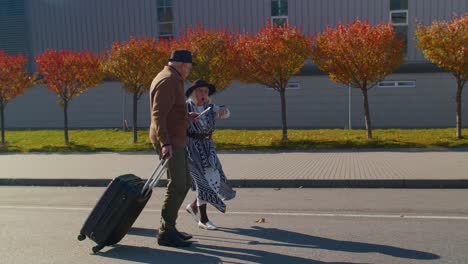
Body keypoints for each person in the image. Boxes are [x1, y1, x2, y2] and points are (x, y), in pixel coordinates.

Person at [149, 50, 198, 247]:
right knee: (178, 184)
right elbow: (158, 114)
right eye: (190, 67)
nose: (189, 71)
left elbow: (172, 112)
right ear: (183, 65)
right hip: (170, 140)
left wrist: (187, 117)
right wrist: (165, 143)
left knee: (184, 182)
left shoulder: (172, 78)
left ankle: (169, 227)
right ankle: (166, 232)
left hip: (175, 139)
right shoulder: (169, 80)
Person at [184, 79, 236, 230]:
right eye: (200, 91)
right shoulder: (186, 106)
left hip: (208, 147)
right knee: (203, 182)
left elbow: (226, 113)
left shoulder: (211, 107)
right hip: (192, 148)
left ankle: (193, 207)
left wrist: (224, 110)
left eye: (206, 92)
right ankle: (203, 219)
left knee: (213, 180)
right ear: (194, 93)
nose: (203, 94)